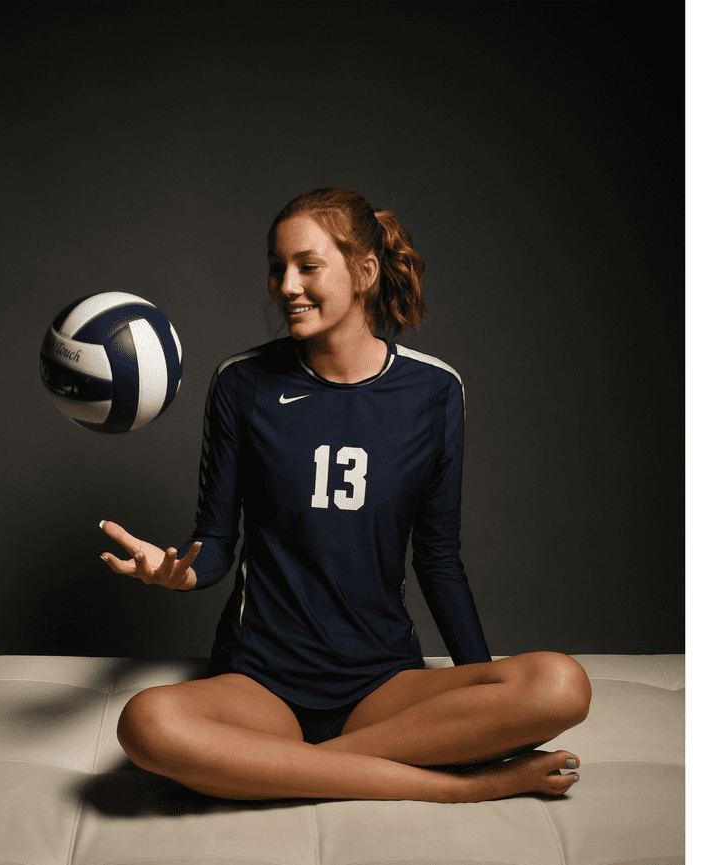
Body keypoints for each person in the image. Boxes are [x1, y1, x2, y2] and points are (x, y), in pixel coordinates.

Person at [98, 188, 591, 803]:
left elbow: (438, 559)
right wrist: (182, 573)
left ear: (365, 271)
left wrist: (484, 703)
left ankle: (285, 768)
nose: (286, 286)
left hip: (382, 686)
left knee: (561, 683)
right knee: (145, 723)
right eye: (277, 268)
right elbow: (217, 540)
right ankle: (456, 789)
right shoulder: (242, 383)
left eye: (307, 266)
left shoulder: (434, 392)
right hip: (262, 686)